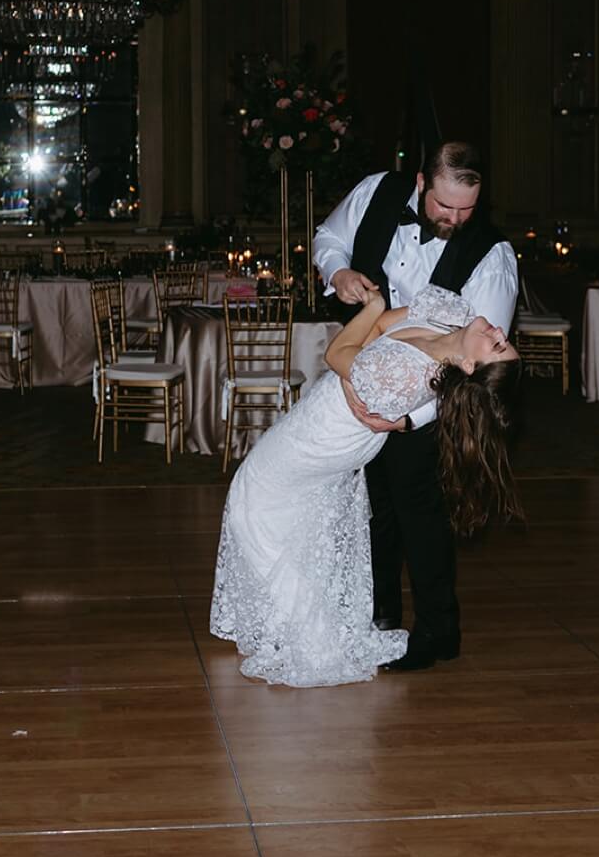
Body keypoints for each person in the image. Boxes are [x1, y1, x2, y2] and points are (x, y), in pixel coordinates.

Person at [208, 284, 522, 686]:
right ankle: (281, 621)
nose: (499, 332)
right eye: (504, 341)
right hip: (323, 416)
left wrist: (371, 311)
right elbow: (367, 340)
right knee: (285, 513)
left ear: (466, 366)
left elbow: (337, 353)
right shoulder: (450, 313)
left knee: (250, 499)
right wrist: (356, 357)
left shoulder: (406, 374)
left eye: (496, 347)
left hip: (326, 435)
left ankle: (306, 631)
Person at [310, 141, 519, 671]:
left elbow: (477, 374)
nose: (453, 219)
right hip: (362, 379)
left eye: (466, 210)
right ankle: (378, 616)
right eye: (444, 207)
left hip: (430, 404)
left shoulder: (492, 257)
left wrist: (408, 418)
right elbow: (329, 237)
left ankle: (437, 631)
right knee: (371, 505)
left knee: (421, 515)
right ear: (422, 183)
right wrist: (338, 273)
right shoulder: (377, 191)